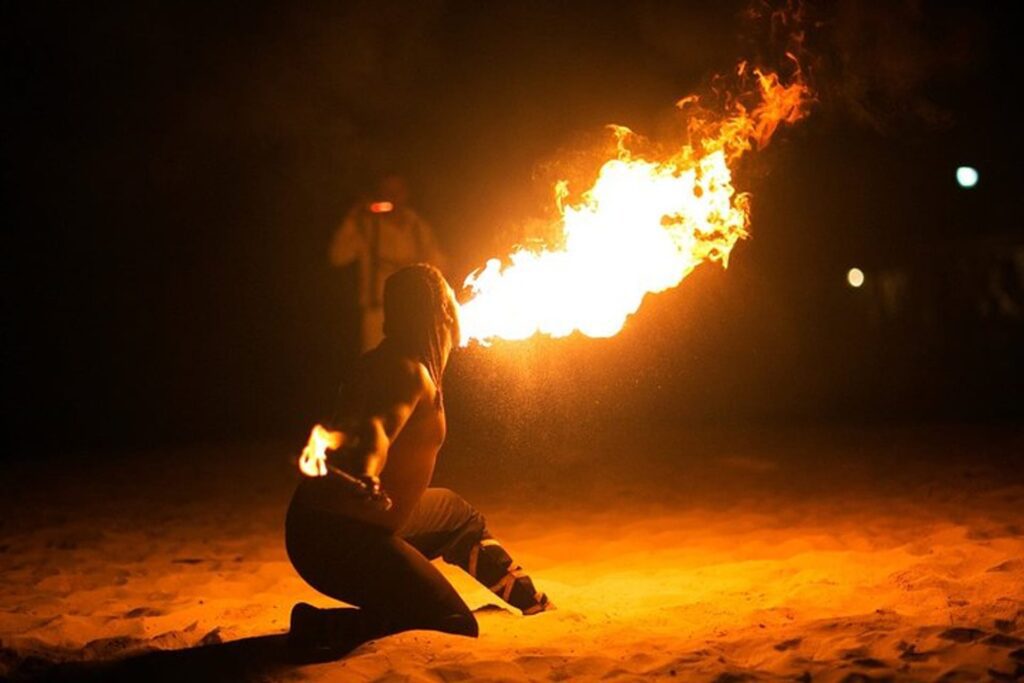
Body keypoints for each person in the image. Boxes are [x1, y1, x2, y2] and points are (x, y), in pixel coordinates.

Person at [286, 264, 553, 653]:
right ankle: (320, 626)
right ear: (440, 311)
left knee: (455, 515)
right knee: (455, 621)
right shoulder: (404, 371)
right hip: (334, 538)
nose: (461, 303)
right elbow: (376, 428)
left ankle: (532, 602)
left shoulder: (410, 363)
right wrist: (368, 470)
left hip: (362, 523)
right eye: (452, 297)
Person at [329, 175, 447, 352]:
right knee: (377, 366)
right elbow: (337, 257)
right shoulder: (366, 226)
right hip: (378, 314)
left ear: (406, 194)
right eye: (387, 192)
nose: (393, 197)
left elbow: (439, 265)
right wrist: (353, 218)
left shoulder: (418, 227)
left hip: (412, 313)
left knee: (414, 365)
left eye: (397, 191)